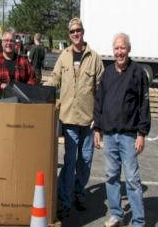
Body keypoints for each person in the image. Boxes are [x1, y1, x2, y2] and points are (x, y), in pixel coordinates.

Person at [44, 17, 104, 219]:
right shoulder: (64, 56)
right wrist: (43, 91)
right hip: (68, 118)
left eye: (78, 30)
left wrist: (99, 119)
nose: (75, 34)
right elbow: (55, 79)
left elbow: (101, 90)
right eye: (72, 32)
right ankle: (64, 200)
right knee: (70, 161)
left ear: (83, 32)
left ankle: (79, 192)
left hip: (88, 120)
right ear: (69, 35)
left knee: (85, 161)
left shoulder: (94, 58)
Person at [94, 33, 151, 227]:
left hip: (128, 135)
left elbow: (144, 104)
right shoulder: (108, 73)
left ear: (129, 49)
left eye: (123, 48)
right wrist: (97, 128)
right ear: (113, 50)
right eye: (116, 48)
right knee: (111, 177)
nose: (119, 52)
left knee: (133, 180)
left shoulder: (138, 73)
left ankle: (138, 221)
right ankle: (116, 214)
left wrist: (142, 133)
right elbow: (99, 101)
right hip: (109, 135)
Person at [0, 30, 36, 99]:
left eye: (12, 41)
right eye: (6, 40)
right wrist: (0, 85)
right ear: (2, 43)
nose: (9, 43)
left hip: (20, 102)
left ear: (15, 44)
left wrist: (25, 89)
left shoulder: (24, 61)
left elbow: (32, 78)